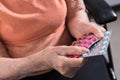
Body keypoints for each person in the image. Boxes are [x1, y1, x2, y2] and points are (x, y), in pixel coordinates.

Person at [0, 0, 105, 80]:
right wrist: (41, 62)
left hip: (75, 53)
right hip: (23, 71)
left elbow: (76, 11)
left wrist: (80, 23)